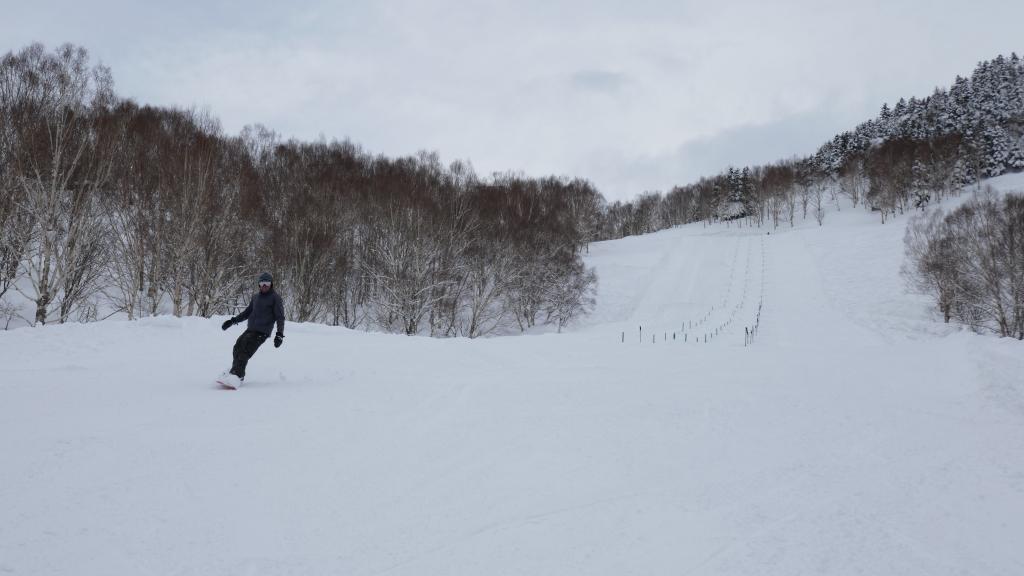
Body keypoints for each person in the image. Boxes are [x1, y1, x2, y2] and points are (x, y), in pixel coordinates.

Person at [220, 272, 285, 384]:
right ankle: (234, 372)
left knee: (245, 349)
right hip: (250, 329)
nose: (264, 286)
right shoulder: (256, 297)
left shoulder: (275, 298)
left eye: (267, 283)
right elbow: (247, 313)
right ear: (259, 284)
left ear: (271, 284)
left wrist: (279, 334)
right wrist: (233, 321)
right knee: (237, 347)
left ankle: (237, 375)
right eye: (262, 283)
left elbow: (280, 317)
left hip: (262, 332)